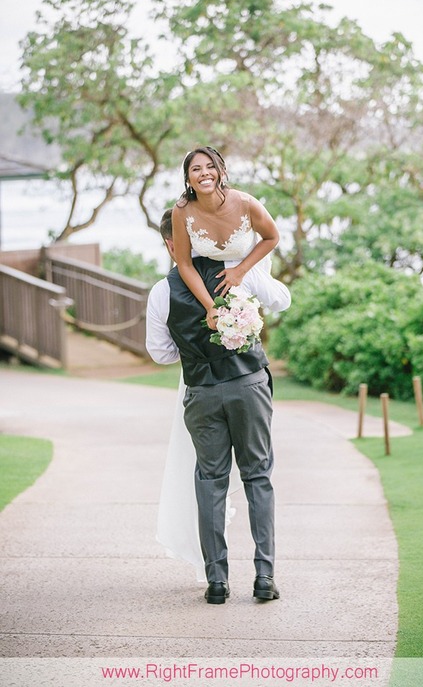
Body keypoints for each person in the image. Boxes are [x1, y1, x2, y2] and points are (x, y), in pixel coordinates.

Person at [146, 206, 290, 604]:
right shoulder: (236, 272)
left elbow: (159, 353)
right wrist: (257, 273)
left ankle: (217, 582)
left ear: (169, 243)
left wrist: (193, 348)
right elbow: (280, 301)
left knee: (211, 482)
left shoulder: (162, 292)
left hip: (201, 393)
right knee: (257, 476)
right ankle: (264, 576)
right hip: (248, 385)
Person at [172, 146, 280, 330]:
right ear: (188, 179)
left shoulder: (247, 203)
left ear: (222, 172)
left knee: (262, 315)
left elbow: (272, 237)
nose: (204, 173)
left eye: (210, 166)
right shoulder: (181, 211)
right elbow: (184, 264)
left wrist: (240, 270)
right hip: (210, 276)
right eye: (196, 169)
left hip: (249, 269)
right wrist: (210, 306)